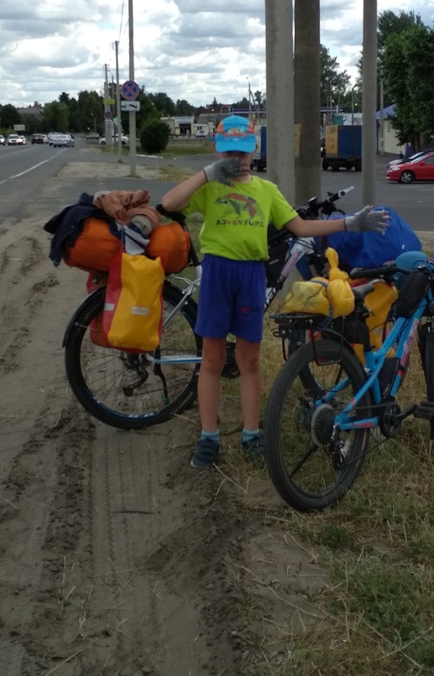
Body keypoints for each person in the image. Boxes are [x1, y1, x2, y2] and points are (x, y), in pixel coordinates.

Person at [160, 115, 389, 469]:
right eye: (228, 153)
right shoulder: (209, 187)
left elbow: (299, 226)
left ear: (254, 152)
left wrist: (349, 223)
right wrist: (207, 174)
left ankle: (251, 434)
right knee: (212, 359)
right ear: (216, 151)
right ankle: (208, 437)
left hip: (252, 275)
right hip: (219, 273)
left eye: (243, 153)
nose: (236, 160)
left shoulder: (265, 191)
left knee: (248, 360)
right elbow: (169, 204)